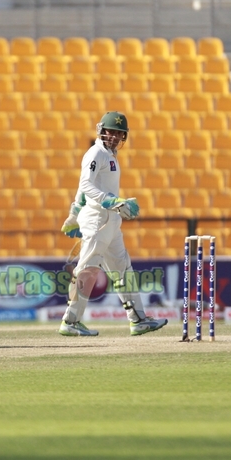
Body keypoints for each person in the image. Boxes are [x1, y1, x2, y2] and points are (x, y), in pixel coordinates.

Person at [58, 111, 167, 337]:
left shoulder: (111, 154)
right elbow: (86, 185)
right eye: (111, 132)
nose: (115, 136)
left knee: (122, 270)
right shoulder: (96, 152)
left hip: (111, 220)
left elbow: (86, 189)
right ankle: (70, 321)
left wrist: (75, 211)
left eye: (119, 133)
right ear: (101, 130)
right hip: (98, 219)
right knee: (88, 269)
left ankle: (137, 319)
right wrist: (108, 202)